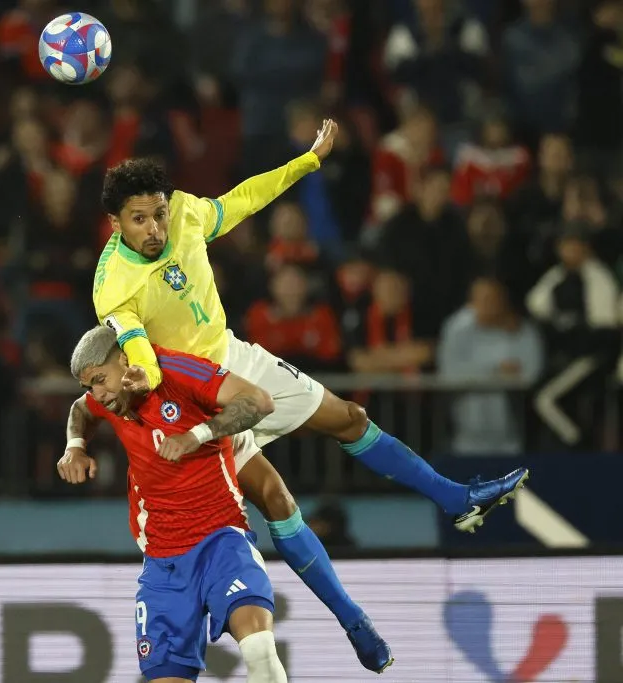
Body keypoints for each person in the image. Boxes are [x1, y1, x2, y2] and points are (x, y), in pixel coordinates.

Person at [82, 118, 529, 671]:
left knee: (349, 416)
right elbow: (139, 353)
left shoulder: (187, 215)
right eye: (139, 219)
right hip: (188, 394)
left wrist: (308, 160)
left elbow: (241, 200)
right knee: (275, 497)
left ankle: (456, 499)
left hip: (233, 358)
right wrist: (143, 379)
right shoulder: (113, 286)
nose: (154, 227)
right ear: (115, 223)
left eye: (158, 213)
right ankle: (354, 622)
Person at [58, 326, 289, 682]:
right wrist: (75, 445)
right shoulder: (109, 400)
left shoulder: (177, 372)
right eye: (90, 386)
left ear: (125, 359)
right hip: (163, 564)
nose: (98, 394)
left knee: (259, 651)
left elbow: (260, 401)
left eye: (101, 380)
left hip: (221, 541)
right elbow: (81, 410)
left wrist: (196, 436)